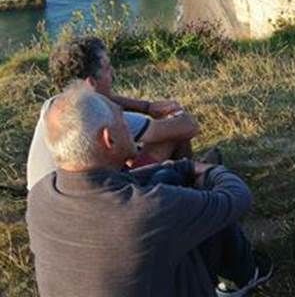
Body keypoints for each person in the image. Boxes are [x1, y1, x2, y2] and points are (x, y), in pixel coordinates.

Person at [26, 81, 273, 297]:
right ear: (108, 139)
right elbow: (238, 198)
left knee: (166, 176)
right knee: (203, 203)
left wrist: (178, 169)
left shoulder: (40, 196)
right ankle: (243, 275)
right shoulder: (147, 210)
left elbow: (130, 180)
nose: (130, 127)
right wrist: (207, 170)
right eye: (123, 121)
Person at [26, 36, 200, 189]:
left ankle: (188, 178)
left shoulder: (52, 106)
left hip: (47, 201)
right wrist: (176, 115)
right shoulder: (101, 118)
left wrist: (146, 107)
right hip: (94, 204)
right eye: (107, 68)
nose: (112, 73)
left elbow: (104, 98)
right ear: (91, 83)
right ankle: (192, 185)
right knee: (173, 135)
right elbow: (189, 128)